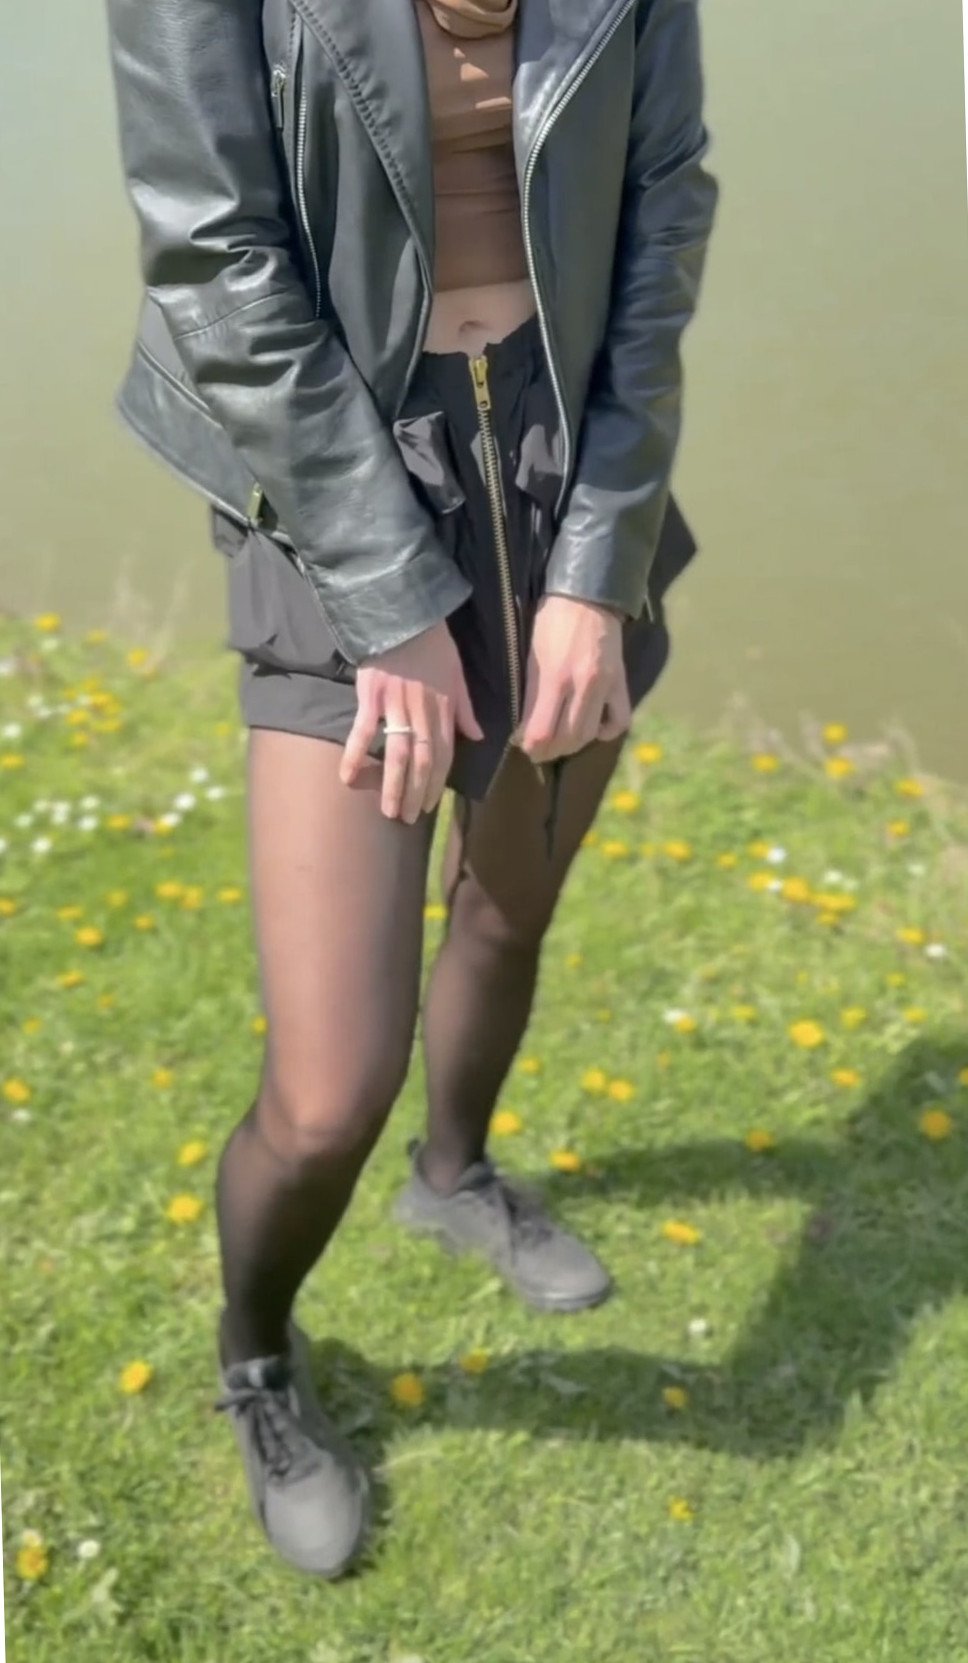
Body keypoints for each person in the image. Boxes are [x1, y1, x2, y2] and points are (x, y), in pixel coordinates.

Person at [105, 0, 719, 1578]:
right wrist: (389, 602)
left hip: (565, 454)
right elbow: (215, 254)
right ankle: (258, 1357)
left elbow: (664, 209)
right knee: (326, 1093)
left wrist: (599, 565)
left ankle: (457, 1179)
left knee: (508, 910)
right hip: (333, 480)